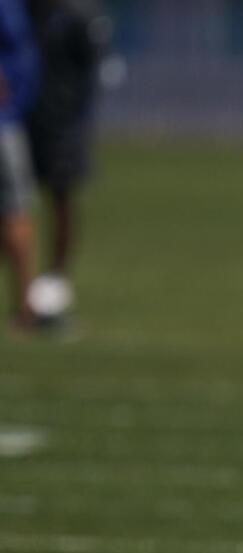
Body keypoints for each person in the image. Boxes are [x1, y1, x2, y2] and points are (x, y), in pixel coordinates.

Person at [23, 0, 111, 328]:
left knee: (62, 200)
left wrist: (76, 119)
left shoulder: (79, 15)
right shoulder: (24, 10)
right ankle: (25, 289)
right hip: (24, 118)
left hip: (64, 125)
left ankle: (54, 283)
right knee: (16, 206)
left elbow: (96, 72)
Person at [0, 0, 36, 334]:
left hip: (11, 120)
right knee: (15, 212)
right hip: (3, 125)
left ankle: (25, 308)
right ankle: (26, 309)